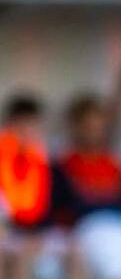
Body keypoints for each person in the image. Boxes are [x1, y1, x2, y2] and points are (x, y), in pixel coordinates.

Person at [51, 94, 121, 279]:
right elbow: (67, 208)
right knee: (117, 263)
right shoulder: (62, 166)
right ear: (74, 127)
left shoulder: (116, 166)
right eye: (87, 126)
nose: (93, 132)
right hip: (90, 228)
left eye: (97, 126)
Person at [0, 94, 51, 279]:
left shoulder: (41, 160)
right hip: (7, 233)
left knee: (76, 250)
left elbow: (45, 206)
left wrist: (36, 234)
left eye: (31, 125)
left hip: (34, 233)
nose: (25, 131)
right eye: (20, 124)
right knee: (16, 255)